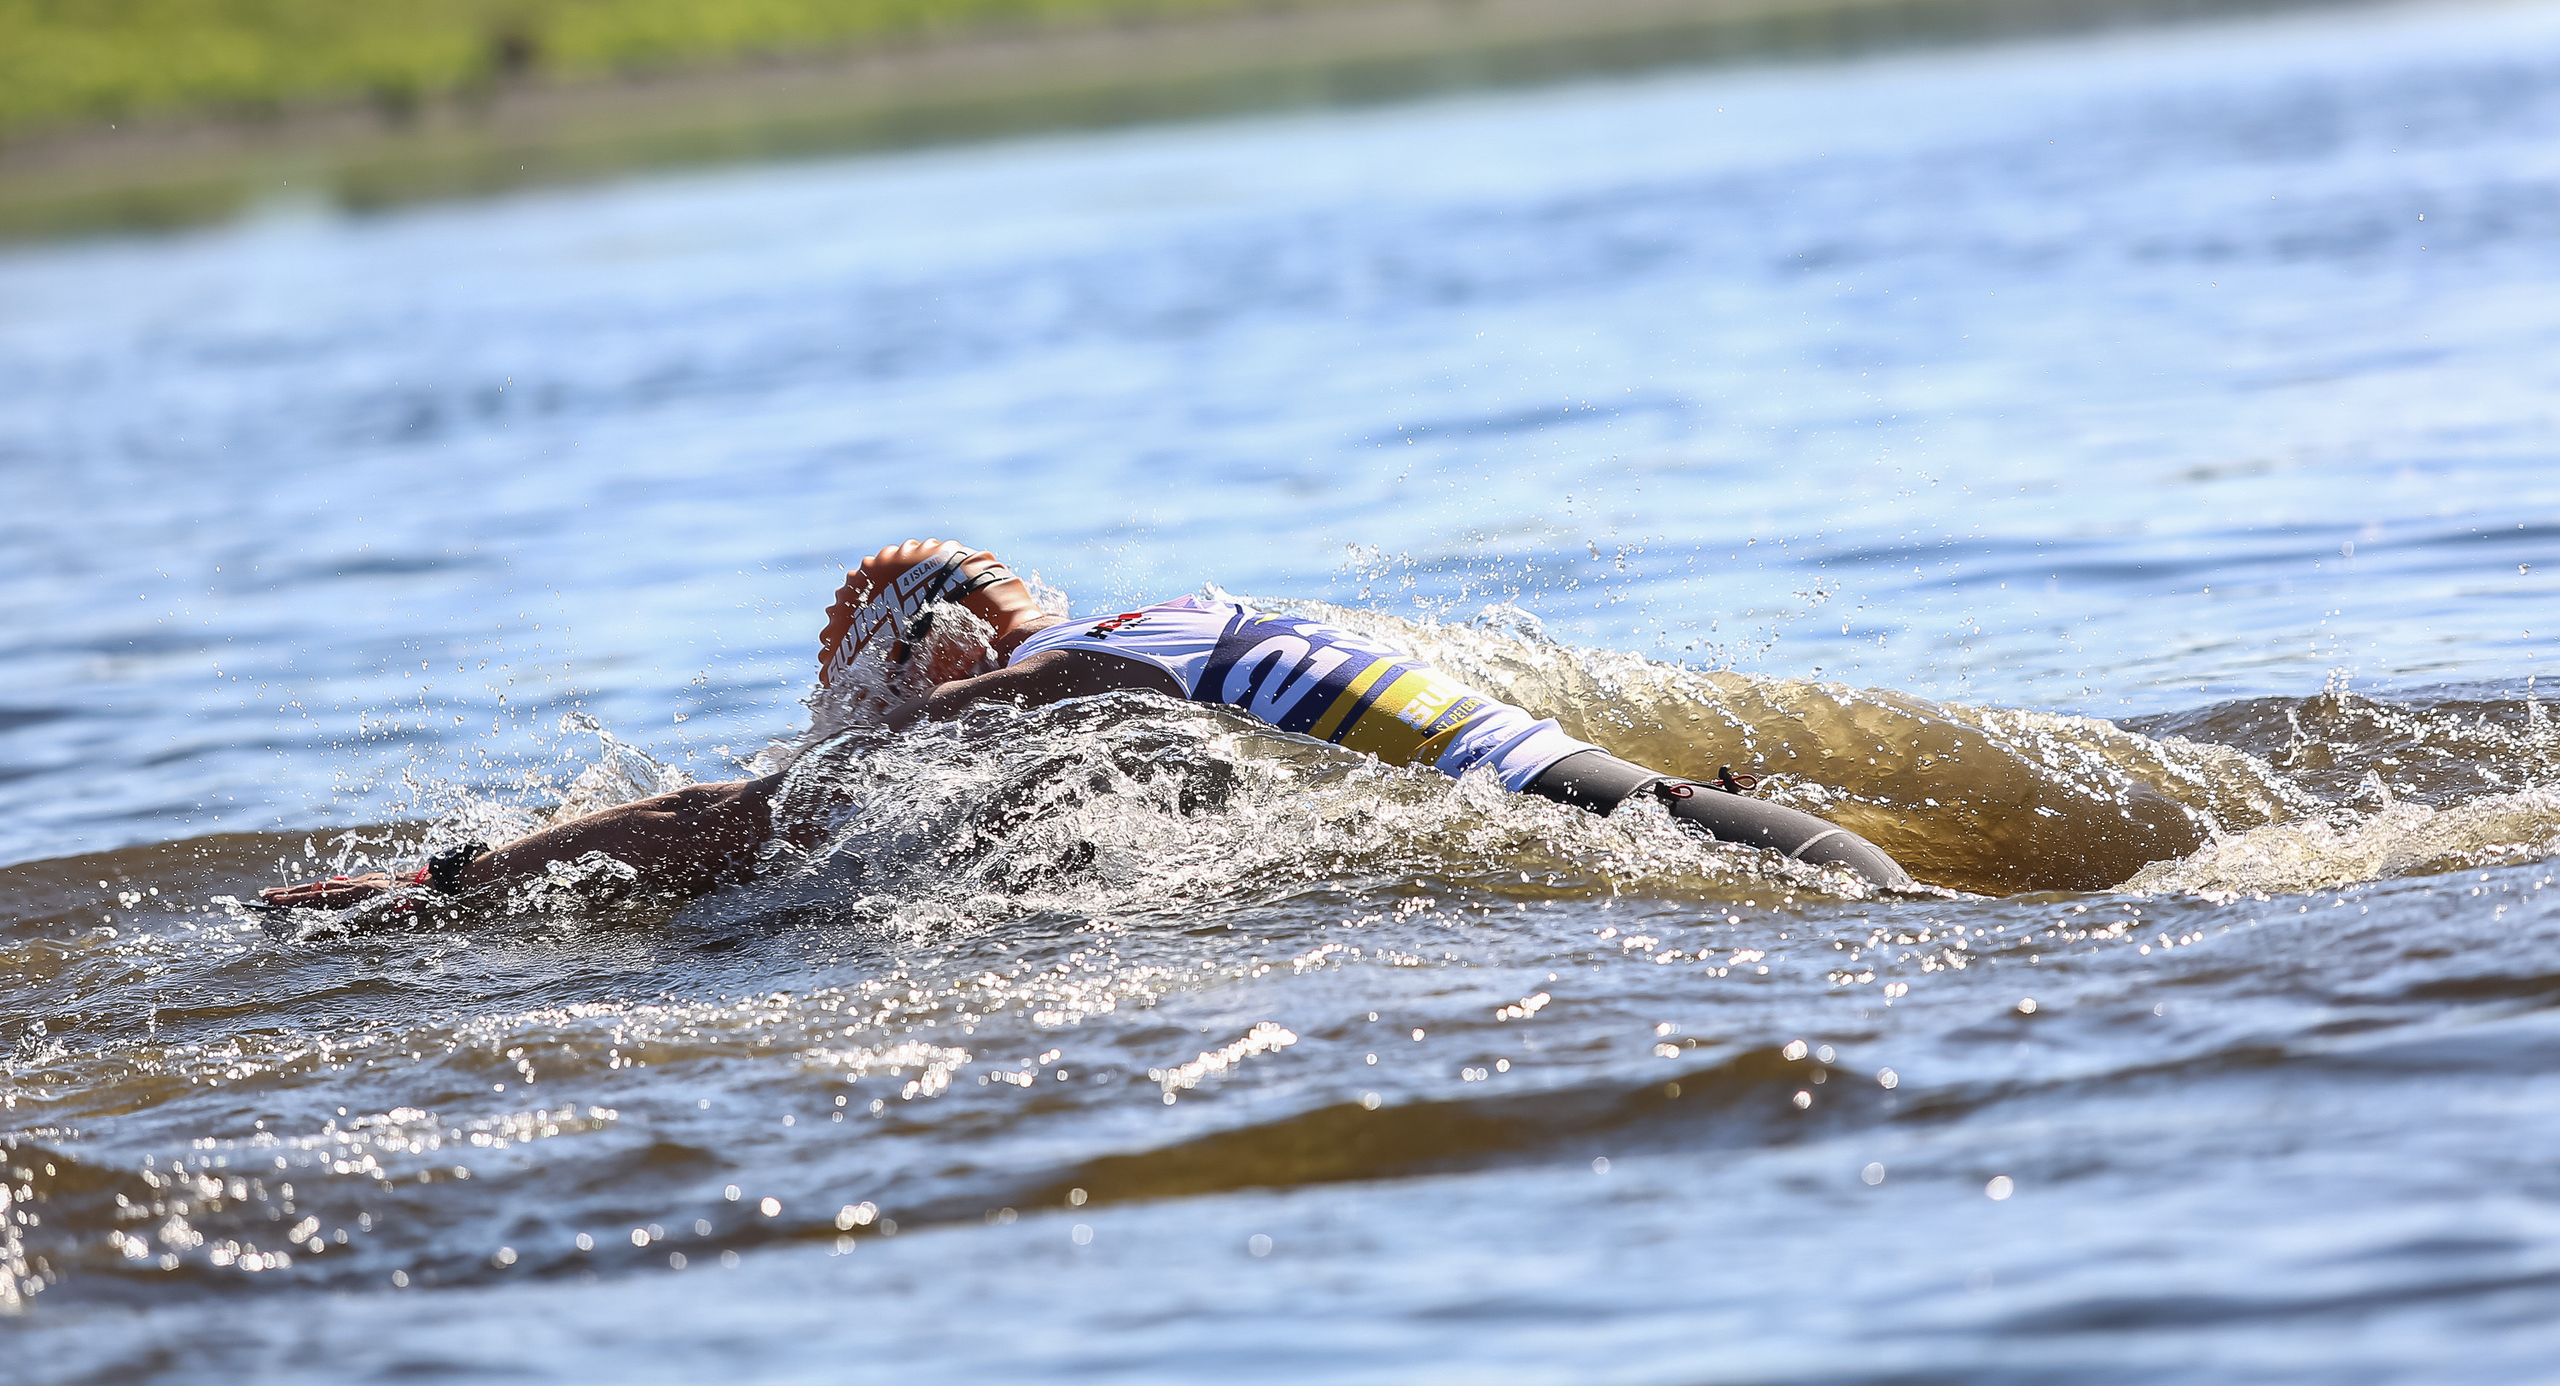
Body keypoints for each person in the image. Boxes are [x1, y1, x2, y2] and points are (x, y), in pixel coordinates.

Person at [261, 539, 1912, 913]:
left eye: (867, 690)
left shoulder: (1046, 685)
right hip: (1625, 797)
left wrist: (445, 881)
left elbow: (727, 814)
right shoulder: (1192, 625)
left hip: (1622, 834)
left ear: (930, 648)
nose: (860, 730)